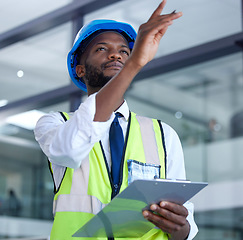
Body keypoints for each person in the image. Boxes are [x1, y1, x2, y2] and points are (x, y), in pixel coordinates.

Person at [34, 1, 198, 239]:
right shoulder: (54, 124)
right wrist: (133, 64)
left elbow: (187, 224)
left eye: (124, 51)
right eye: (101, 49)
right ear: (80, 69)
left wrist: (179, 227)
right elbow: (69, 149)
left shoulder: (163, 134)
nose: (116, 55)